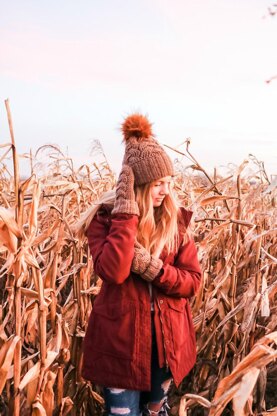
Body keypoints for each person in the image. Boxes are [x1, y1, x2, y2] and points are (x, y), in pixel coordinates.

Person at [82, 114, 202, 416]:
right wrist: (125, 215)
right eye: (157, 184)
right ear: (137, 185)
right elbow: (114, 271)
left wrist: (155, 269)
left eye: (168, 182)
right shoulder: (105, 221)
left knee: (155, 413)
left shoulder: (176, 223)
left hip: (165, 346)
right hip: (121, 346)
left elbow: (192, 282)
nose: (165, 190)